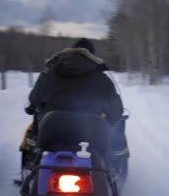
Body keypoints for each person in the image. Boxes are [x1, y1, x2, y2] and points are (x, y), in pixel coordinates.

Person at [20, 38, 128, 166]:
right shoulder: (101, 79)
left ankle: (31, 164)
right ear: (92, 56)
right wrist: (112, 121)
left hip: (52, 132)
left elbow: (34, 99)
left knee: (33, 131)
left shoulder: (49, 74)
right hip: (90, 135)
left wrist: (33, 107)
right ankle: (115, 163)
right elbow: (116, 110)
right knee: (116, 131)